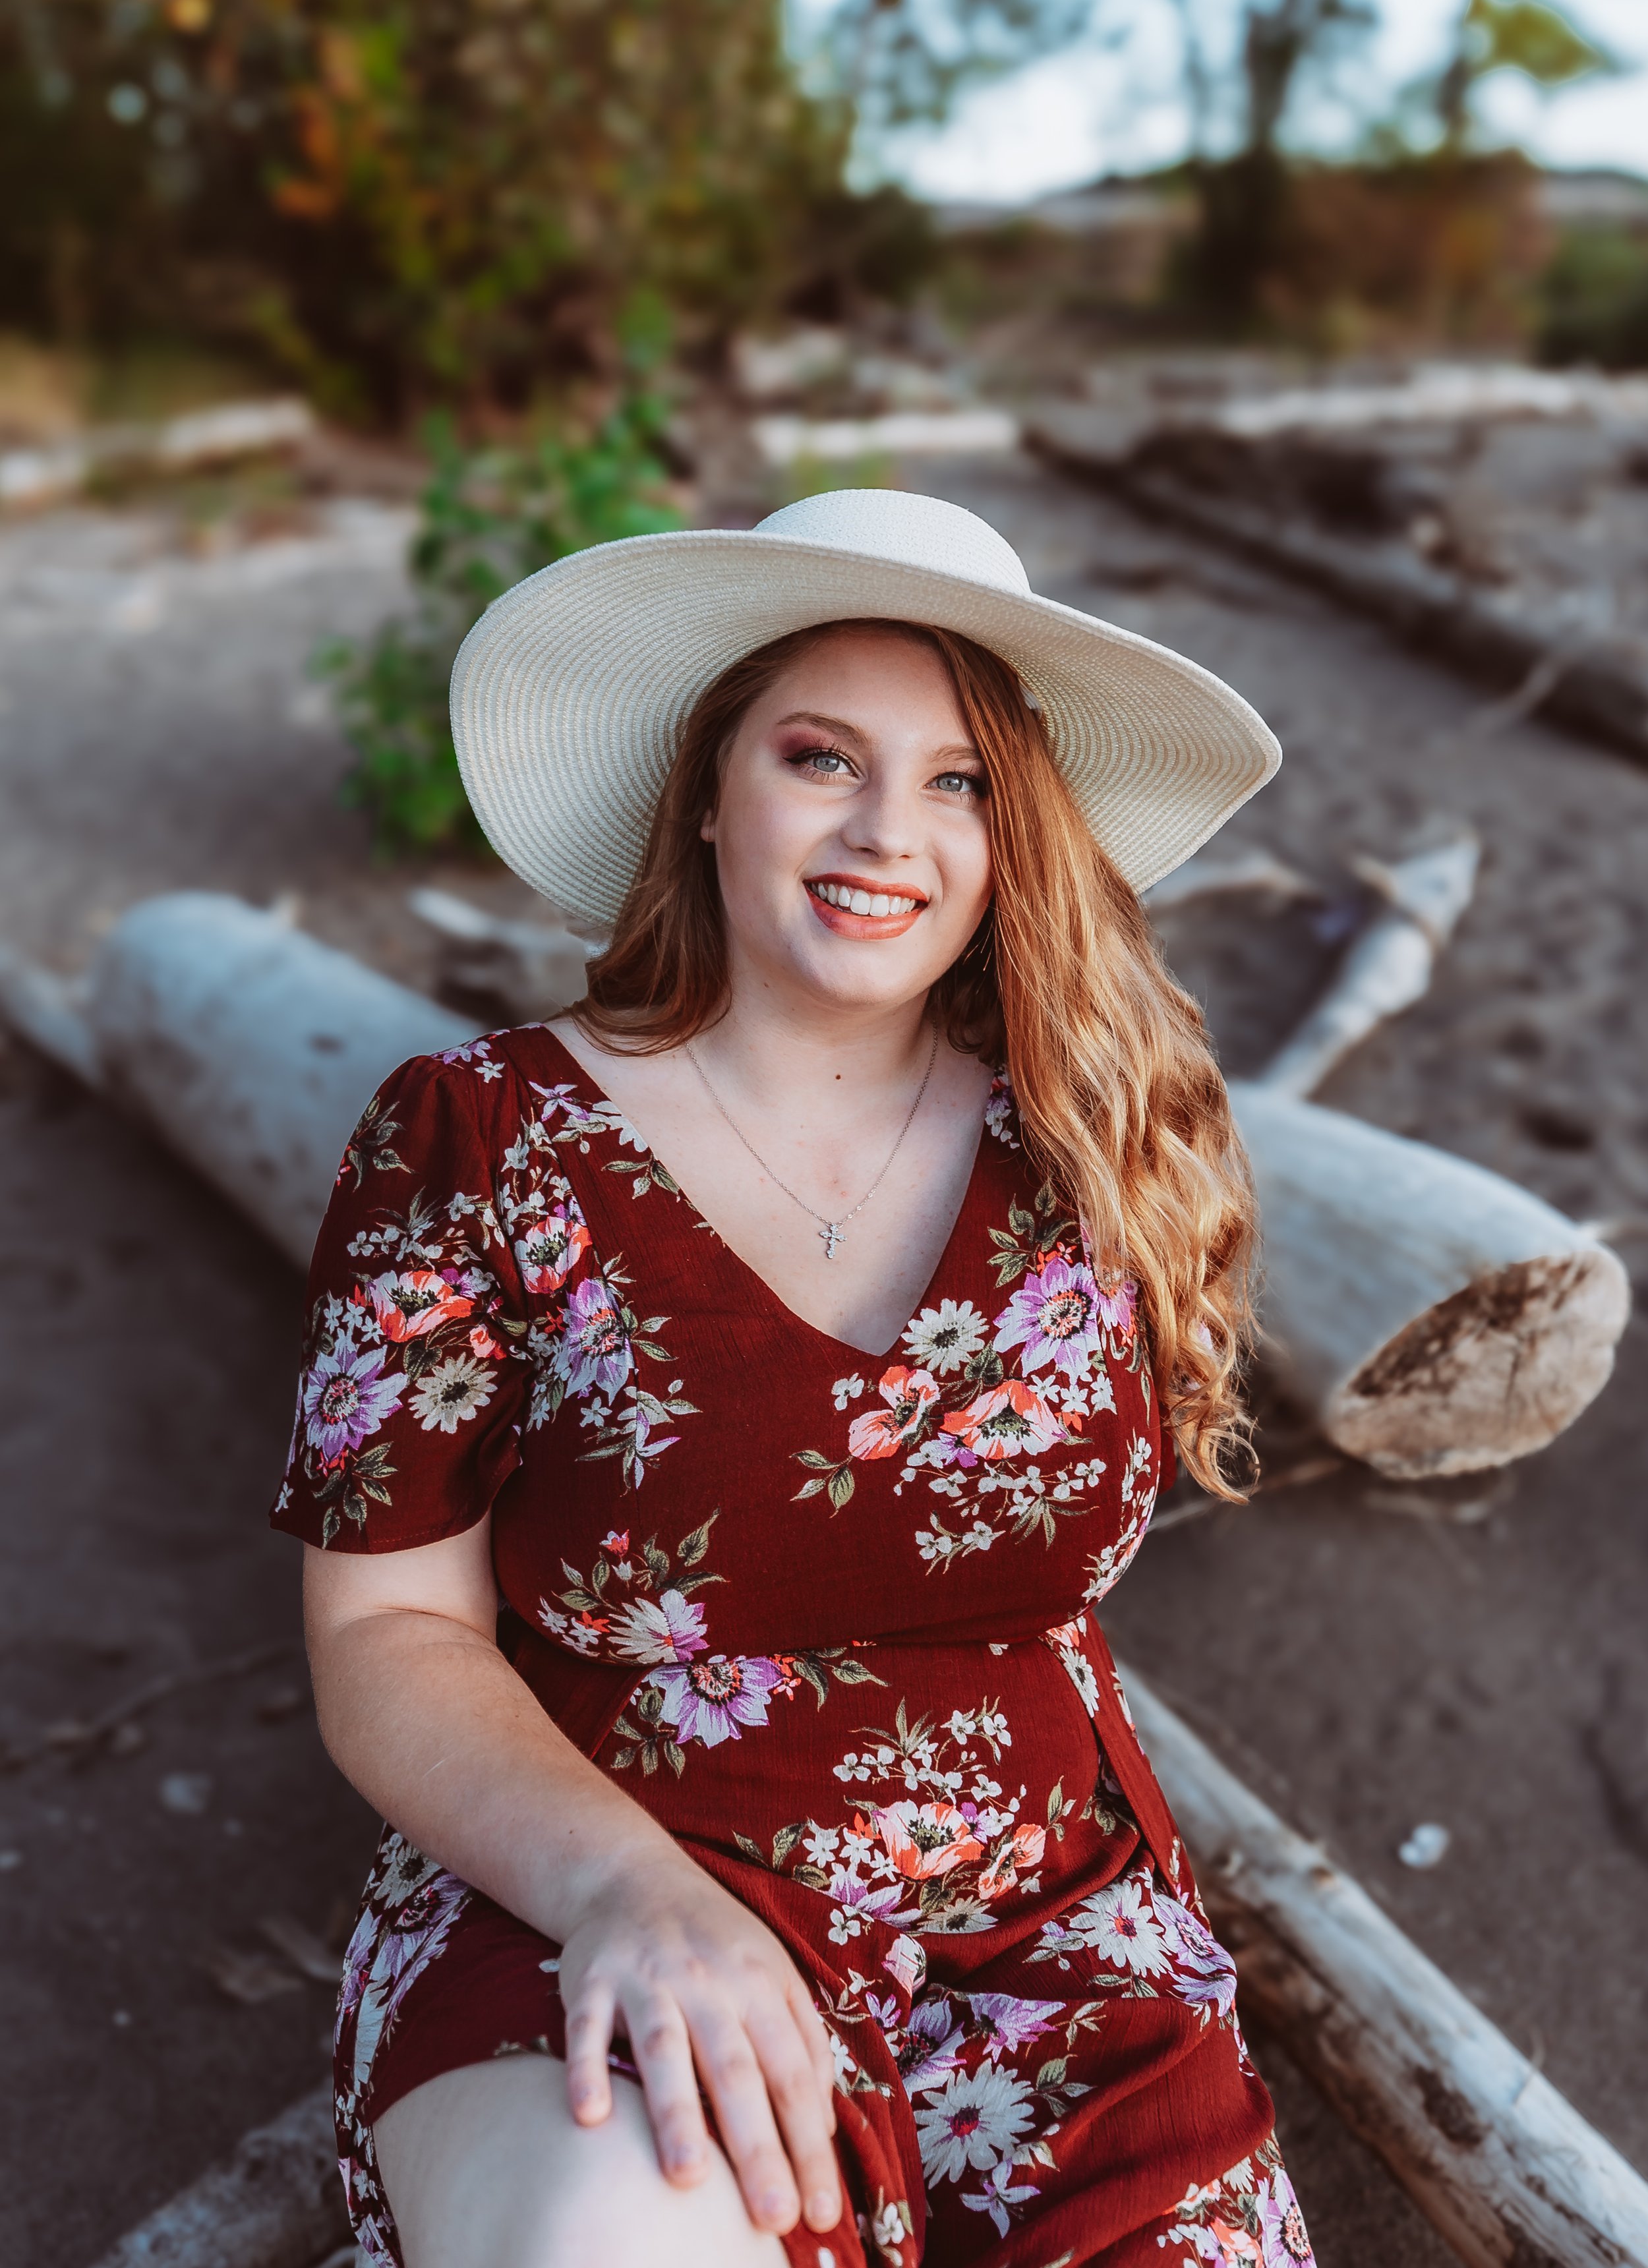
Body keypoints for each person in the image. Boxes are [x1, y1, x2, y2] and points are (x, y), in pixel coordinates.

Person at [273, 488, 1316, 2268]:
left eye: (957, 779)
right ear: (705, 786)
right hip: (598, 1875)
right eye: (819, 756)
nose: (886, 832)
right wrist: (628, 1892)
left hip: (1044, 1922)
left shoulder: (1093, 1137)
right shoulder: (476, 1138)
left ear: (1012, 831)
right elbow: (385, 1637)